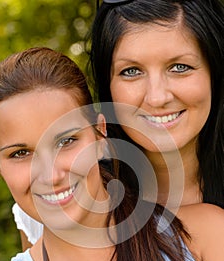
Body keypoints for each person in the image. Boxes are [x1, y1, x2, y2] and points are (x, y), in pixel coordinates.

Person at [0, 47, 223, 261]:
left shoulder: (202, 235)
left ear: (100, 135)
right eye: (20, 154)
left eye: (66, 140)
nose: (50, 175)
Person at [89, 0, 224, 211]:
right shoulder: (71, 196)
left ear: (214, 73)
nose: (157, 98)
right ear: (108, 85)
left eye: (179, 67)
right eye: (131, 71)